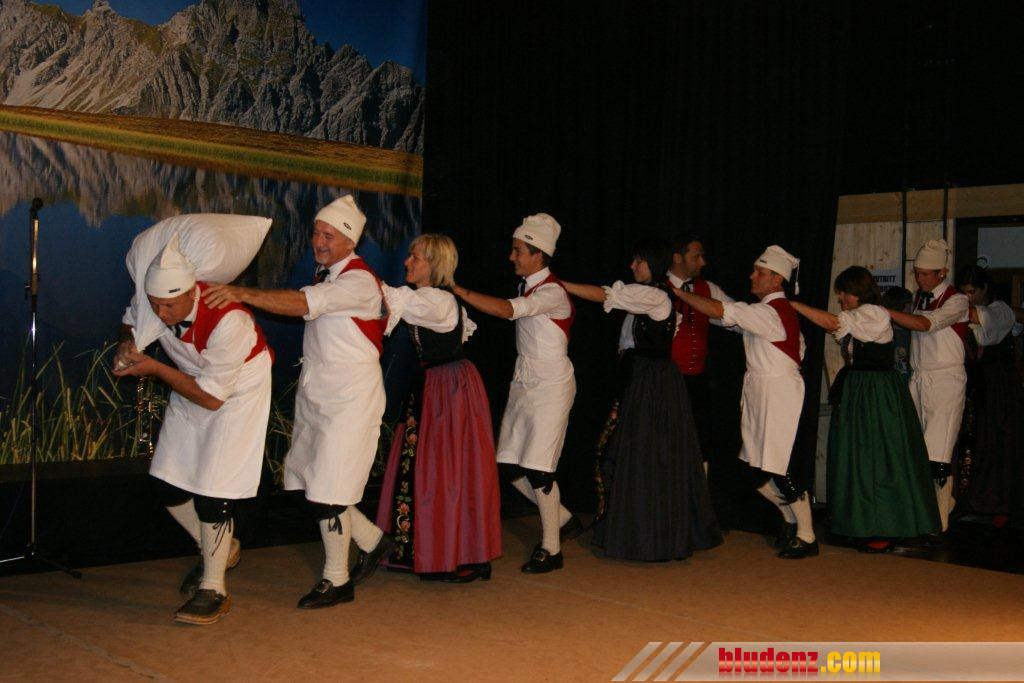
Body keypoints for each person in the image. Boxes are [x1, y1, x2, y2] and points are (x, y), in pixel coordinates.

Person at [203, 195, 393, 608]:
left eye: (329, 236)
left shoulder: (358, 281)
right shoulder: (330, 275)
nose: (318, 242)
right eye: (316, 233)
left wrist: (241, 293)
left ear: (350, 242)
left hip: (350, 400)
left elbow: (303, 303)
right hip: (321, 396)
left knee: (329, 490)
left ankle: (337, 580)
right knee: (313, 481)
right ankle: (373, 541)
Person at [114, 234, 273, 625]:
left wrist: (154, 368)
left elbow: (212, 399)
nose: (161, 313)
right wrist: (127, 345)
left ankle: (214, 588)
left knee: (213, 491)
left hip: (236, 393)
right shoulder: (154, 302)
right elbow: (130, 322)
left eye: (169, 305)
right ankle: (220, 547)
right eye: (155, 305)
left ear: (192, 293)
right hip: (190, 380)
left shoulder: (230, 321)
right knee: (168, 482)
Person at [562, 237, 722, 561]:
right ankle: (635, 530)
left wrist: (558, 283)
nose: (633, 266)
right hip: (642, 382)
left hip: (652, 385)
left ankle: (649, 536)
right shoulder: (648, 297)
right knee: (635, 456)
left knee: (645, 457)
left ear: (655, 263)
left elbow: (605, 295)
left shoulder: (654, 296)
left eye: (639, 261)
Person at [453, 213, 581, 574]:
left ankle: (551, 549)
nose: (511, 257)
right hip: (525, 382)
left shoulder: (552, 292)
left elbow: (508, 311)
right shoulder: (529, 286)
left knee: (539, 469)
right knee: (508, 465)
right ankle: (563, 518)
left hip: (551, 386)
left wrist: (459, 291)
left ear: (538, 255)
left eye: (518, 251)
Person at [674, 245, 817, 559]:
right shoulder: (766, 312)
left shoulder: (771, 312)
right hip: (760, 391)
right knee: (752, 468)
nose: (752, 276)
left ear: (776, 279)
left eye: (760, 272)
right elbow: (726, 316)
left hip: (778, 393)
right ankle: (790, 518)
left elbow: (723, 311)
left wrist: (679, 293)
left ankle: (807, 535)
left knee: (779, 466)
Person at [374, 234, 502, 582]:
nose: (407, 263)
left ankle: (451, 553)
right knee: (442, 469)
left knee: (444, 470)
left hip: (449, 389)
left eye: (415, 257)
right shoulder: (432, 300)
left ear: (433, 264)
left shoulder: (436, 301)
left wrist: (355, 274)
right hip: (443, 384)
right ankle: (441, 548)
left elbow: (383, 296)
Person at [791, 266, 939, 552]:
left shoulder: (874, 313)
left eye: (842, 293)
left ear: (855, 293)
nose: (839, 298)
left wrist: (794, 305)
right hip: (860, 390)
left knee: (879, 454)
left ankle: (885, 523)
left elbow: (832, 322)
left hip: (877, 392)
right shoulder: (860, 315)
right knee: (859, 454)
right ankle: (862, 521)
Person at [887, 239, 969, 540]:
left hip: (946, 380)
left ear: (942, 272)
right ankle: (938, 506)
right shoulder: (921, 298)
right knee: (919, 451)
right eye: (917, 273)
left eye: (925, 274)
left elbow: (926, 325)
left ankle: (939, 523)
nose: (919, 278)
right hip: (920, 378)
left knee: (939, 454)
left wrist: (885, 311)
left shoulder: (957, 301)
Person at [954, 265, 1023, 525]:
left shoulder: (999, 310)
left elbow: (986, 334)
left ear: (984, 289)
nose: (968, 297)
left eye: (972, 292)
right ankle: (968, 499)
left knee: (999, 440)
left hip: (999, 386)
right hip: (974, 384)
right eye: (964, 292)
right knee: (970, 439)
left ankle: (999, 502)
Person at [666, 235, 734, 475]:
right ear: (678, 257)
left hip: (697, 378)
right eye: (697, 257)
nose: (703, 262)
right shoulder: (656, 288)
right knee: (667, 437)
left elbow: (735, 317)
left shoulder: (708, 289)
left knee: (701, 438)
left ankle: (699, 493)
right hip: (666, 378)